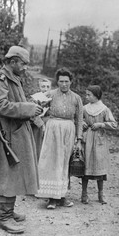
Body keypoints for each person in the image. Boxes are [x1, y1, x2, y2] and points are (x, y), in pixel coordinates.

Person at [0, 45, 43, 234]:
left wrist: (32, 110)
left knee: (14, 175)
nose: (26, 67)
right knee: (8, 177)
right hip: (7, 136)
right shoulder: (0, 81)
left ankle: (7, 211)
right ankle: (4, 217)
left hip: (16, 133)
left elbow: (13, 103)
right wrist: (27, 109)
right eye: (23, 63)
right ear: (12, 62)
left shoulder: (13, 80)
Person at [36, 68, 83, 209]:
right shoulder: (50, 94)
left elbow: (79, 119)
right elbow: (36, 110)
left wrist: (79, 139)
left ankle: (62, 196)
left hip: (69, 130)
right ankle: (51, 198)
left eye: (66, 81)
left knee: (64, 163)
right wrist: (42, 124)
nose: (64, 84)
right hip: (52, 129)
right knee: (51, 162)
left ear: (71, 82)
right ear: (57, 82)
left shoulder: (76, 98)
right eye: (61, 81)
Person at [80, 85, 117, 205]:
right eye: (86, 94)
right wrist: (83, 123)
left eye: (89, 94)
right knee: (85, 166)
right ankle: (84, 193)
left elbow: (114, 124)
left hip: (100, 140)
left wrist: (101, 124)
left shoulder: (104, 109)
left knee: (99, 167)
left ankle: (101, 193)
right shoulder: (85, 108)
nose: (87, 97)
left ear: (96, 95)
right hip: (87, 139)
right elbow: (78, 120)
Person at [30, 78, 52, 159]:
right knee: (37, 147)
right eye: (43, 86)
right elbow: (32, 114)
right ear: (39, 87)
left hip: (49, 126)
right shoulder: (35, 98)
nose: (45, 89)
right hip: (37, 126)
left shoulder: (52, 98)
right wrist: (41, 125)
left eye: (47, 87)